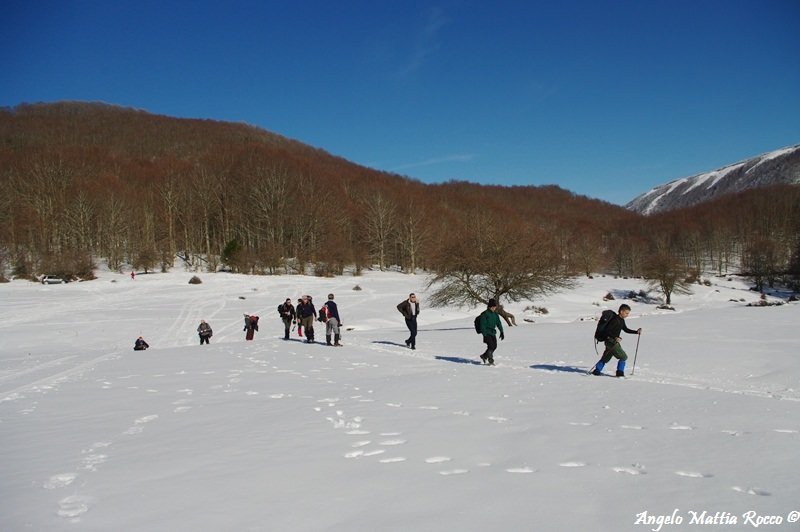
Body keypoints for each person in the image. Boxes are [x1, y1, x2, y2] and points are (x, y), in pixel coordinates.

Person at [591, 304, 641, 377]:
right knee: (623, 357)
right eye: (626, 313)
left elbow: (626, 329)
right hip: (611, 341)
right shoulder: (615, 320)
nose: (627, 315)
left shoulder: (621, 320)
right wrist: (615, 337)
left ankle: (597, 371)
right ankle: (620, 373)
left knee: (606, 357)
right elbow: (607, 331)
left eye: (628, 313)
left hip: (611, 342)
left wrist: (636, 332)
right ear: (621, 311)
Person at [477, 299, 504, 365]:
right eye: (493, 306)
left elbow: (499, 323)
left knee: (494, 346)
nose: (494, 308)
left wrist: (501, 331)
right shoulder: (485, 314)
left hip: (493, 332)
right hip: (486, 332)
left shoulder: (495, 314)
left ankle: (484, 356)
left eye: (495, 307)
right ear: (490, 307)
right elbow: (482, 324)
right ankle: (490, 359)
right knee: (491, 346)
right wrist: (484, 333)